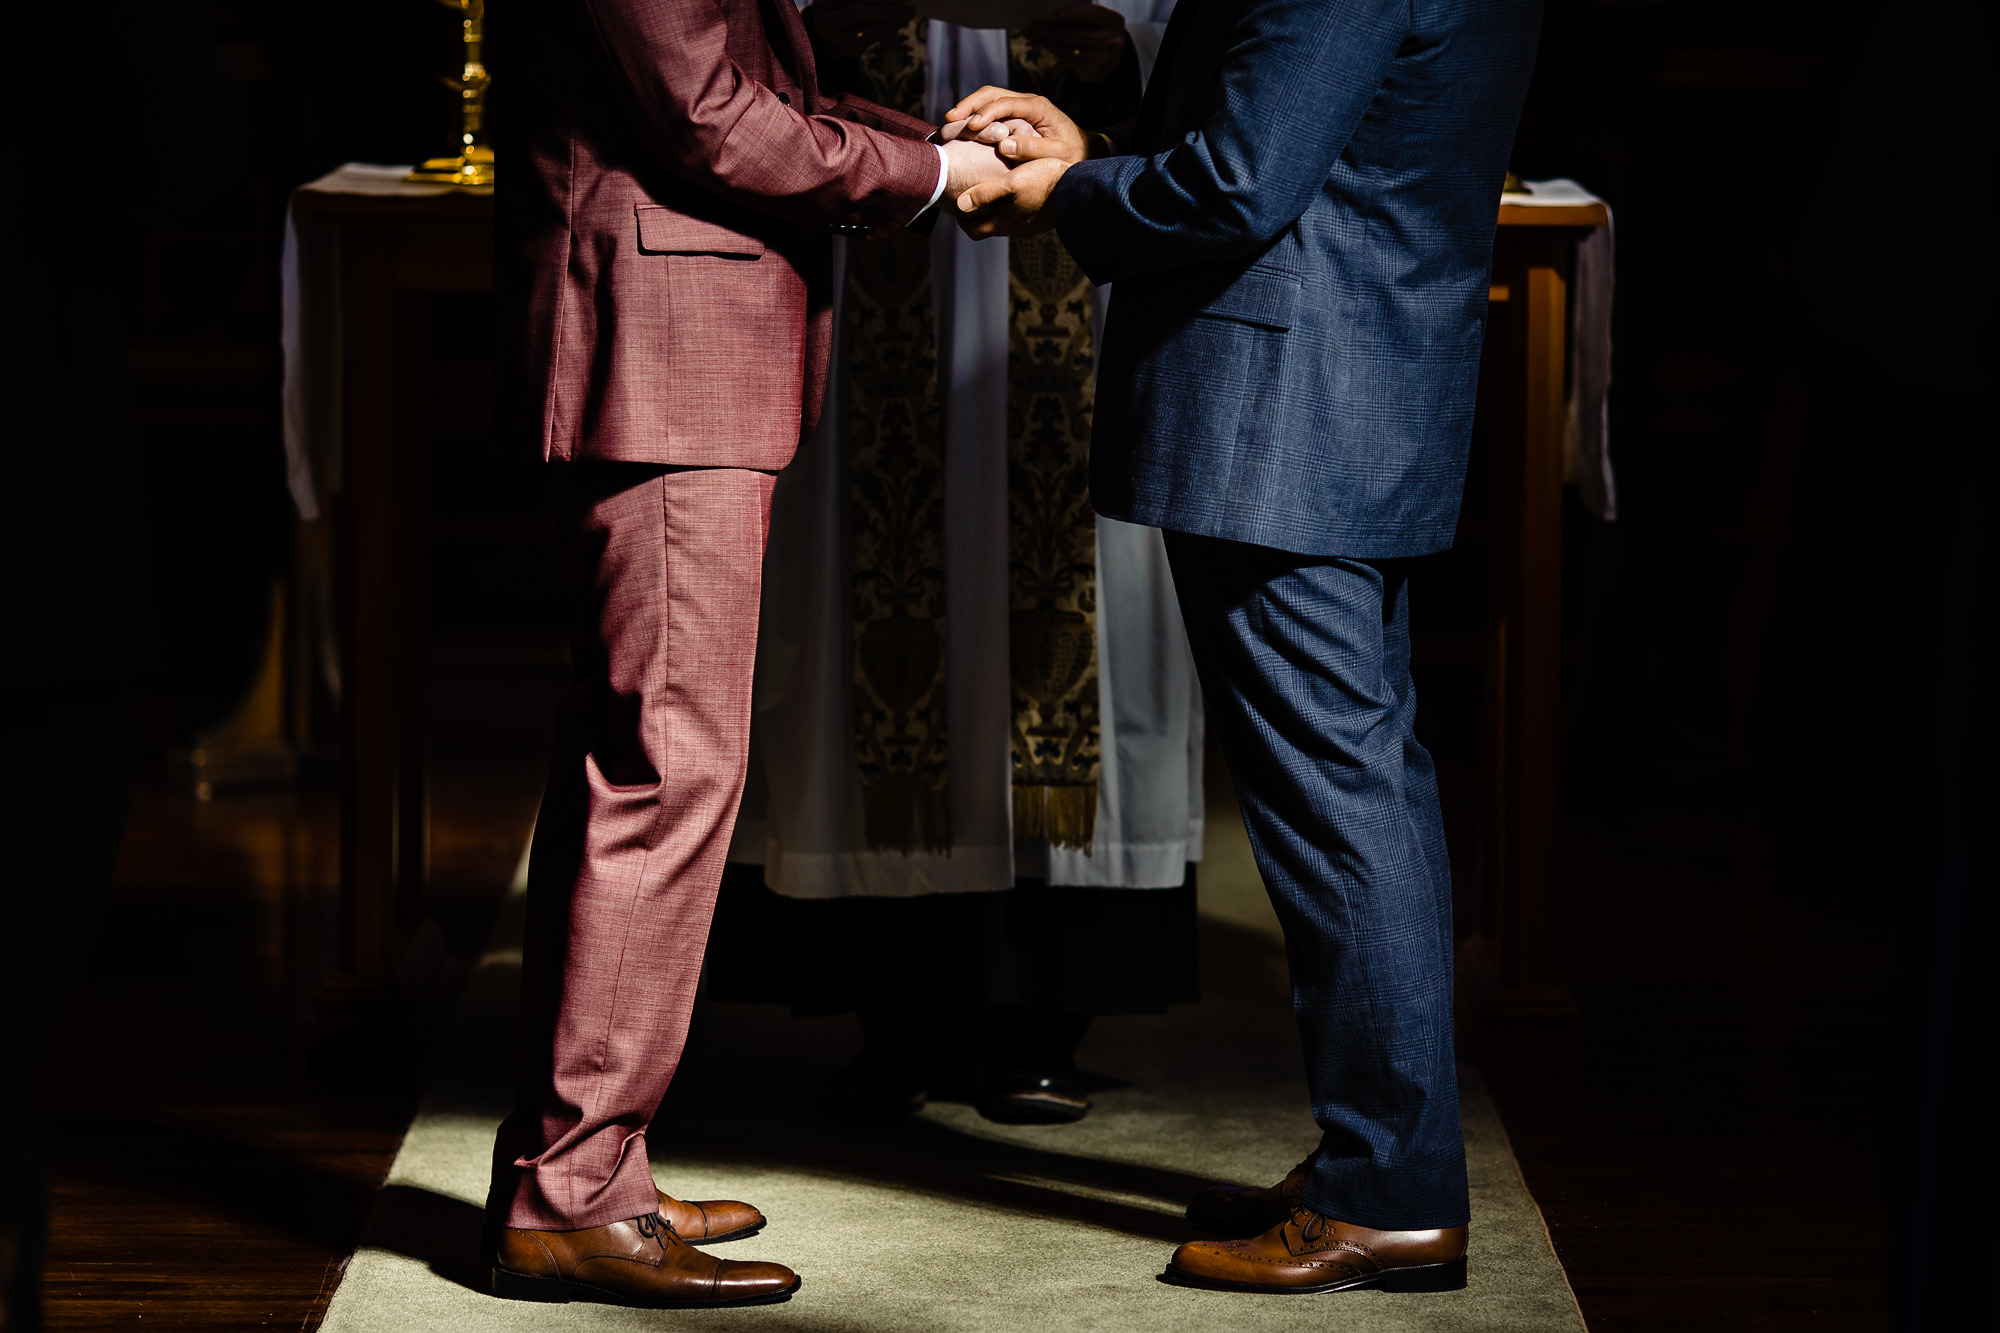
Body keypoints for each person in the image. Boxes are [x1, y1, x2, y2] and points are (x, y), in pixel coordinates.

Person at [945, 0, 1540, 1295]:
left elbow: (1240, 182)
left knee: (1341, 802)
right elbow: (1315, 131)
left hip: (1291, 400)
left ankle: (1388, 1188)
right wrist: (1095, 148)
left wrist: (1064, 192)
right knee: (1368, 781)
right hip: (1346, 377)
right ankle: (1386, 1159)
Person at [480, 0, 1015, 1309]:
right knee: (663, 772)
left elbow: (736, 79)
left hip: (679, 346)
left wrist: (927, 138)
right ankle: (569, 1195)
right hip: (663, 352)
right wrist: (941, 173)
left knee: (642, 765)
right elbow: (711, 117)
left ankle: (587, 1165)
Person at [704, 0, 1201, 1128]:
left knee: (1082, 624)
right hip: (868, 241)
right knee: (857, 629)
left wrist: (1108, 47)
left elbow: (1202, 46)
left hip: (1075, 251)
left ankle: (1048, 1013)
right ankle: (892, 1010)